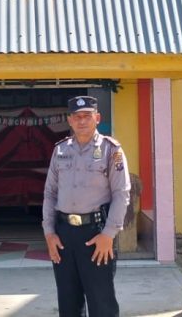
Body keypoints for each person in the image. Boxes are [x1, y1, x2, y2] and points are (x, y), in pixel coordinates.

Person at [43, 96, 130, 317]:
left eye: (87, 116)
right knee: (68, 301)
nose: (82, 121)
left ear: (97, 118)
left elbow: (122, 193)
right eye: (77, 117)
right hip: (63, 235)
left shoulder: (112, 150)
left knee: (101, 301)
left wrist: (109, 234)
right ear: (69, 120)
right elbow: (50, 193)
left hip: (96, 235)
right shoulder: (60, 150)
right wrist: (49, 233)